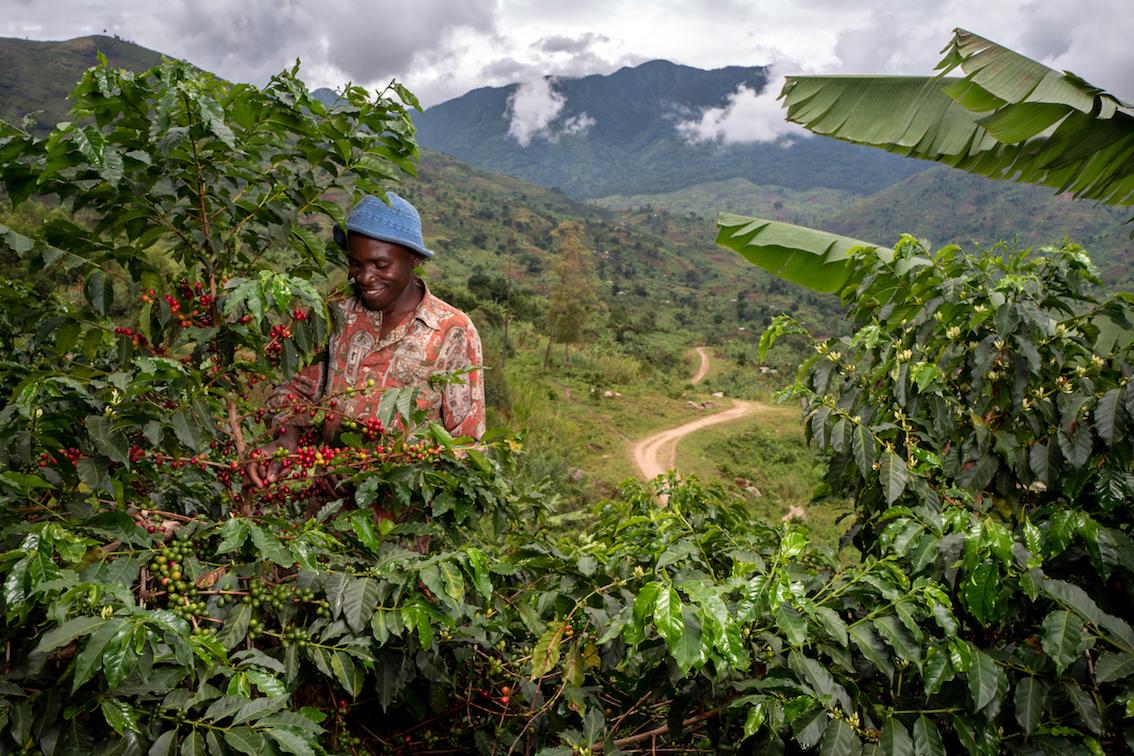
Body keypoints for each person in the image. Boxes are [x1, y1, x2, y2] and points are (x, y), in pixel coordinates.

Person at [245, 192, 485, 487]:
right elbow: (297, 392)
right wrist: (286, 439)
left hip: (404, 512)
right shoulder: (335, 315)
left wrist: (388, 476)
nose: (365, 277)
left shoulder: (453, 332)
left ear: (415, 259)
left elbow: (467, 444)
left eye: (381, 265)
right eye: (355, 264)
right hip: (326, 508)